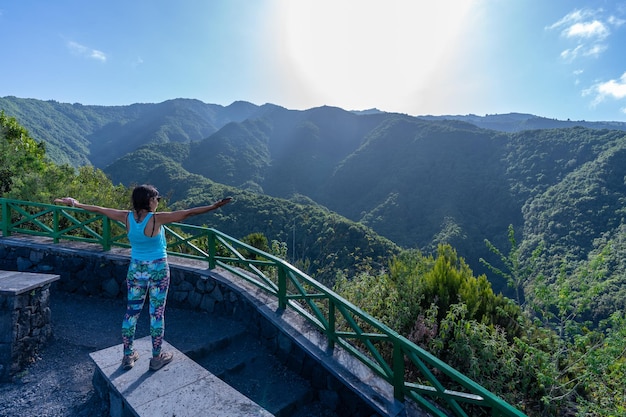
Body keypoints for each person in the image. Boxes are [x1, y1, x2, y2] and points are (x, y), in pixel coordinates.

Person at [55, 185, 232, 371]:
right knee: (157, 314)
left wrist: (75, 203)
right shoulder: (156, 219)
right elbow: (188, 213)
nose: (158, 202)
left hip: (136, 269)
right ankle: (156, 358)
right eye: (157, 198)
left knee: (131, 312)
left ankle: (128, 355)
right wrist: (214, 207)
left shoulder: (126, 217)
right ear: (149, 200)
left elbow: (98, 209)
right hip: (158, 269)